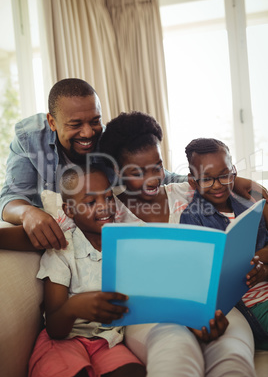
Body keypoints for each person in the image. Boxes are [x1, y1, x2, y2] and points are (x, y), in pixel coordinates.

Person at [0, 78, 266, 251]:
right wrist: (27, 213)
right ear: (52, 121)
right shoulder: (29, 139)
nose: (88, 133)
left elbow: (161, 177)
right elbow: (11, 197)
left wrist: (225, 180)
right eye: (75, 125)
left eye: (94, 120)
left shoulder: (109, 143)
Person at [99, 111, 258, 377]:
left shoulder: (189, 191)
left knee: (233, 359)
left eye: (157, 166)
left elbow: (224, 183)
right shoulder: (105, 212)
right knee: (176, 356)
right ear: (116, 170)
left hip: (214, 308)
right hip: (151, 317)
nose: (152, 178)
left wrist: (244, 182)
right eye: (137, 172)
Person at [28, 164, 146, 377]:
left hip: (108, 340)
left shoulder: (126, 244)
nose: (104, 207)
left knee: (134, 375)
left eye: (109, 198)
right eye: (91, 202)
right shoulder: (63, 250)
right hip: (64, 342)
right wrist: (74, 307)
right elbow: (55, 328)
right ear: (69, 210)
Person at [180, 137, 268, 350]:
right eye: (207, 179)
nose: (218, 185)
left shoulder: (248, 206)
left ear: (234, 172)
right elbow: (199, 275)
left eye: (224, 176)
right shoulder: (192, 218)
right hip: (252, 306)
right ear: (193, 182)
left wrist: (262, 264)